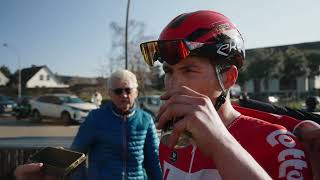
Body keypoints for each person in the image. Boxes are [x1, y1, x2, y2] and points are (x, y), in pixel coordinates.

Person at [139, 10, 313, 179]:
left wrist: (219, 144)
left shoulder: (279, 144)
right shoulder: (171, 140)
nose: (174, 84)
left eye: (189, 70)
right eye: (169, 72)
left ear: (229, 78)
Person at [15, 70, 162, 180]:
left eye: (128, 90)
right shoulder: (95, 118)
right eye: (118, 91)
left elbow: (154, 161)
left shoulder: (146, 119)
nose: (124, 95)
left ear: (135, 92)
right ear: (110, 94)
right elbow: (75, 156)